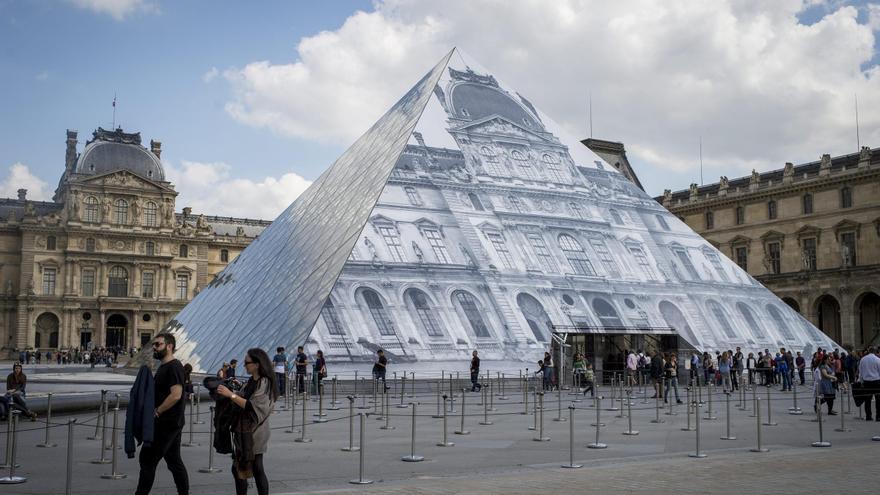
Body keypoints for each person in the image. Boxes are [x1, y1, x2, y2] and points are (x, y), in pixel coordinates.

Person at [216, 348, 277, 495]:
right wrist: (232, 393)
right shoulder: (252, 381)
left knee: (255, 468)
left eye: (247, 363)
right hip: (245, 431)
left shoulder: (264, 382)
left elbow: (253, 406)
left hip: (255, 432)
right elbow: (243, 399)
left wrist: (231, 395)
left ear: (257, 364)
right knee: (243, 468)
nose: (244, 365)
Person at [135, 333, 189, 495]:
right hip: (171, 422)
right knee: (174, 461)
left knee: (147, 460)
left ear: (169, 346)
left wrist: (157, 411)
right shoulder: (165, 366)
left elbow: (176, 394)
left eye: (158, 344)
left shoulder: (173, 367)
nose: (154, 347)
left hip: (166, 423)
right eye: (153, 344)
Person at [857, 346, 880, 421]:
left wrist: (861, 381)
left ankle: (868, 416)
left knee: (867, 400)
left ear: (868, 351)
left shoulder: (863, 359)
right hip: (876, 381)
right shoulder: (877, 359)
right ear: (875, 351)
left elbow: (860, 372)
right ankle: (878, 416)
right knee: (878, 400)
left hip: (867, 382)